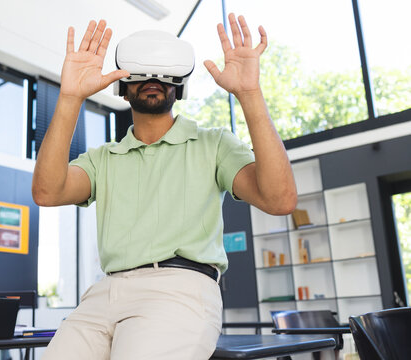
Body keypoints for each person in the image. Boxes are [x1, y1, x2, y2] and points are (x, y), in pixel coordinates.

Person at [33, 13, 297, 360]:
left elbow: (280, 199)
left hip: (180, 289)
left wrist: (249, 93)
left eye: (164, 72)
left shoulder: (214, 144)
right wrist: (69, 98)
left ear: (179, 86)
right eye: (141, 72)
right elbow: (47, 192)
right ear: (122, 88)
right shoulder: (104, 158)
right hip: (104, 292)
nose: (153, 78)